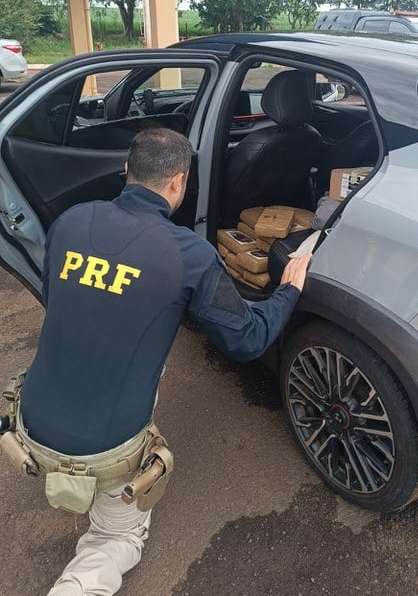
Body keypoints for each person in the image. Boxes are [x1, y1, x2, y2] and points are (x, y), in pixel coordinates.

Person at [5, 127, 311, 596]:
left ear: (127, 170)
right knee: (118, 536)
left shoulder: (70, 220)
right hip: (102, 452)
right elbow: (248, 339)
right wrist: (288, 289)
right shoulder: (188, 254)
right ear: (178, 184)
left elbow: (58, 298)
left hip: (27, 423)